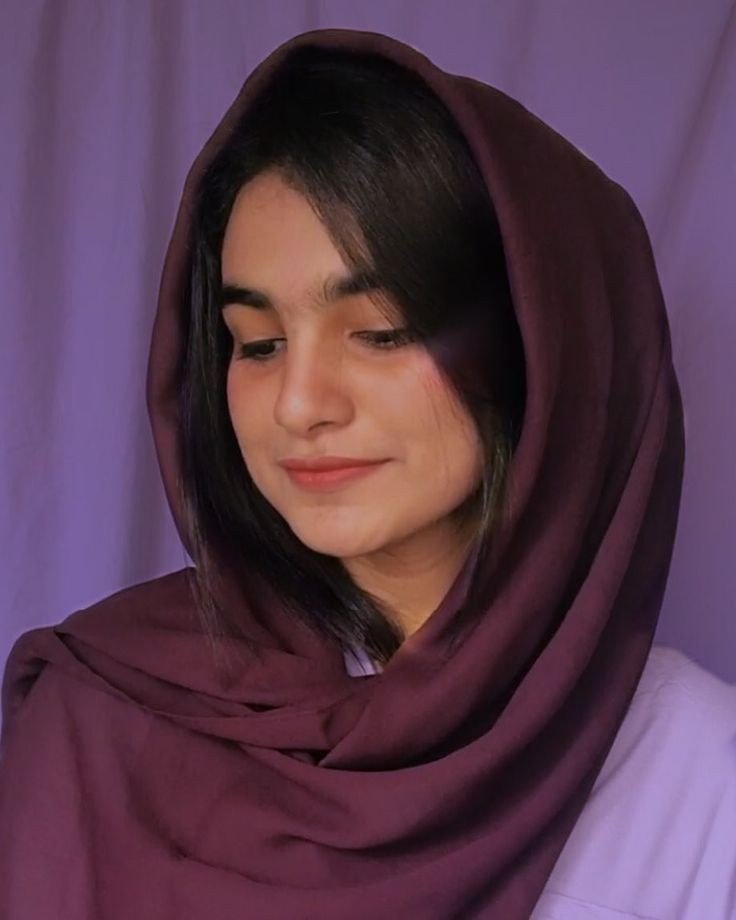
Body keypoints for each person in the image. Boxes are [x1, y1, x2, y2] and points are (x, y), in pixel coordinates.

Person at [0, 26, 733, 920]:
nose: (297, 404)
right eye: (256, 343)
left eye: (379, 332)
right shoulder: (104, 712)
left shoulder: (699, 781)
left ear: (544, 348)